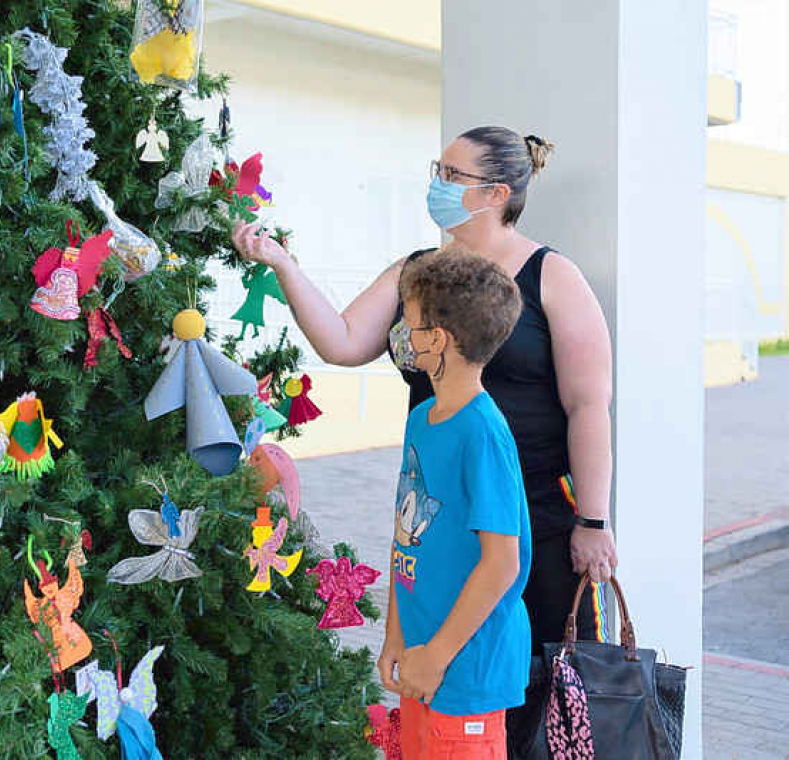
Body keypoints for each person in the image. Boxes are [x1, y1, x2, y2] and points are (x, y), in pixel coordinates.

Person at [230, 125, 617, 652]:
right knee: (449, 671)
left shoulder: (552, 276)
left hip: (534, 516)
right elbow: (341, 341)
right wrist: (283, 265)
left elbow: (588, 405)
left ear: (497, 194)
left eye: (454, 176)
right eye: (439, 172)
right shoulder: (417, 271)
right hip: (436, 517)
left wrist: (593, 522)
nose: (439, 184)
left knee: (552, 681)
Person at [380, 248, 530, 757]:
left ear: (438, 339)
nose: (403, 330)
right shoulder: (421, 420)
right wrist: (395, 636)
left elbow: (501, 564)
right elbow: (407, 540)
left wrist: (438, 656)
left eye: (411, 320)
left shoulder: (483, 434)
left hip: (463, 673)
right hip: (423, 659)